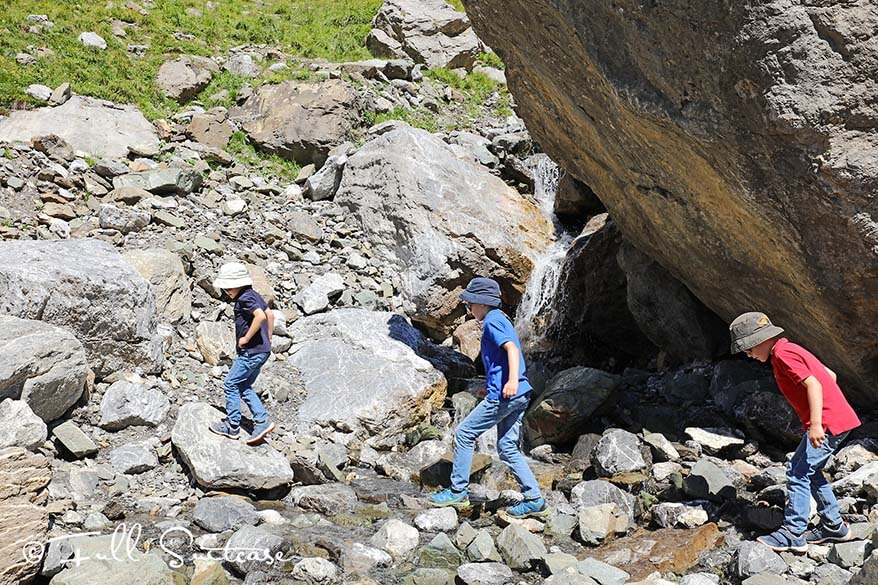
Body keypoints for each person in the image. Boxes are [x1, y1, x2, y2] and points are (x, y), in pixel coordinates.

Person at [729, 312, 861, 552]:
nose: (748, 355)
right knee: (804, 470)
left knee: (799, 473)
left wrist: (817, 423)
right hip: (836, 420)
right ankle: (834, 525)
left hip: (827, 424)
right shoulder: (791, 349)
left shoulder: (782, 355)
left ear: (759, 341)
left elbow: (814, 384)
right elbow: (829, 374)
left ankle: (793, 533)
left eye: (747, 350)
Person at [430, 277, 548, 518]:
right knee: (506, 447)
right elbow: (499, 362)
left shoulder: (493, 321)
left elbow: (513, 350)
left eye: (470, 304)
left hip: (507, 394)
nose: (469, 309)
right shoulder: (499, 320)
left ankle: (457, 491)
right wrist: (490, 384)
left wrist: (512, 381)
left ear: (481, 304)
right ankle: (534, 498)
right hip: (519, 395)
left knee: (464, 433)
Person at [209, 262, 276, 445]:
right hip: (263, 351)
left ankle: (232, 426)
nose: (227, 292)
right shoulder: (254, 295)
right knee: (244, 385)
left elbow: (261, 317)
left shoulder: (244, 299)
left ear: (238, 284)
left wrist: (246, 338)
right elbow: (269, 315)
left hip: (251, 352)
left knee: (230, 384)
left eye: (228, 288)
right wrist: (268, 338)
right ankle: (262, 421)